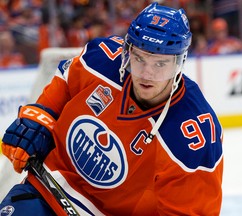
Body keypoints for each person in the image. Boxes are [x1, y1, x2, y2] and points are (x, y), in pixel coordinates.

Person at [0, 2, 223, 215]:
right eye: (140, 59)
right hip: (47, 190)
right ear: (127, 52)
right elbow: (64, 86)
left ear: (179, 63)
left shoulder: (194, 137)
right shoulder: (100, 60)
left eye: (160, 64)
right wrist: (39, 119)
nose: (147, 74)